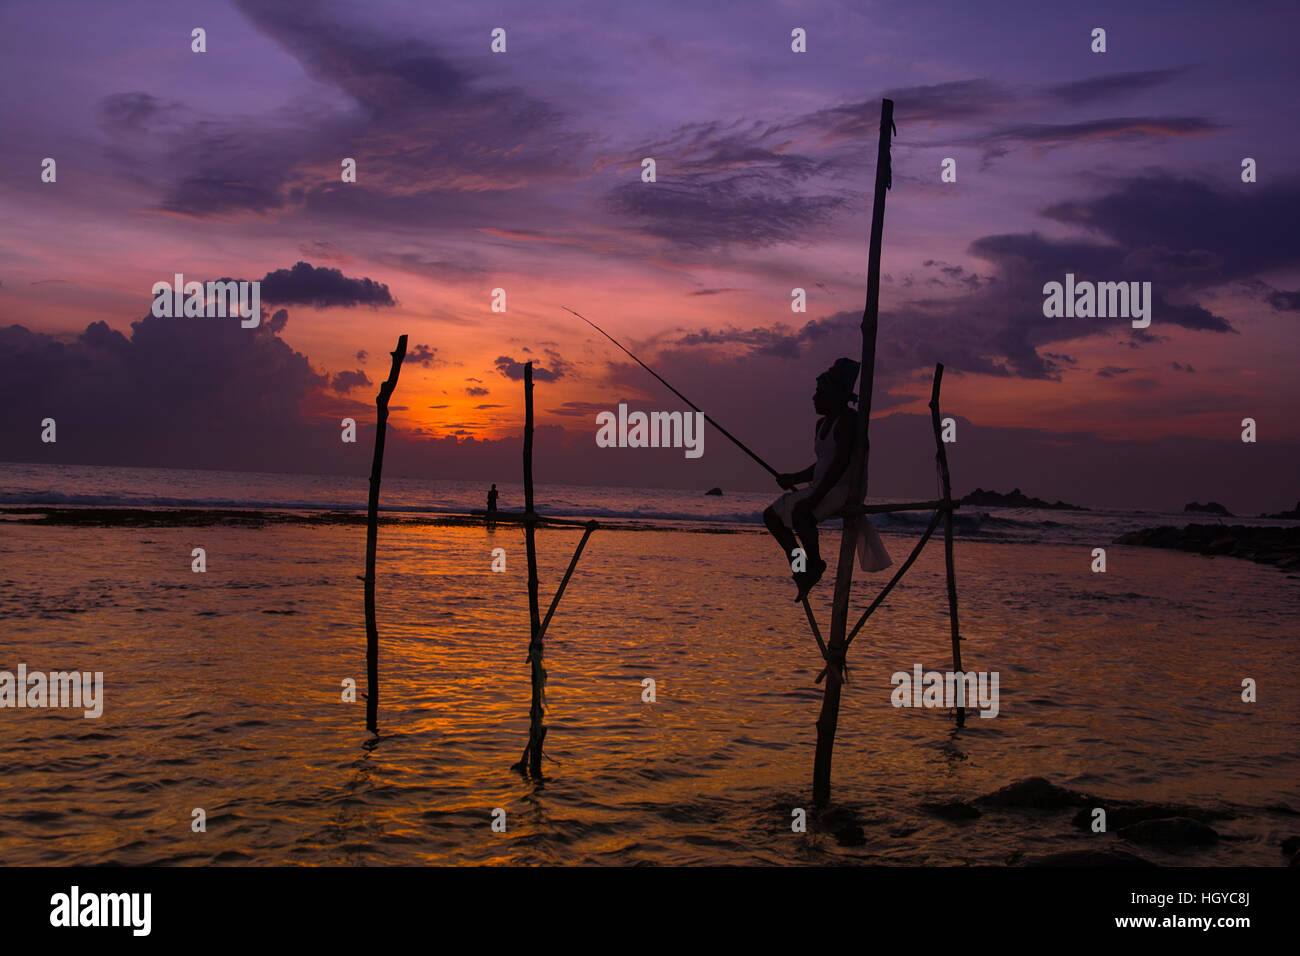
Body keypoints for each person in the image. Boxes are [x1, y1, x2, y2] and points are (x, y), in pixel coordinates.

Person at [763, 357, 891, 601]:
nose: (814, 398)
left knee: (802, 513)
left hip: (844, 489)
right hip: (821, 487)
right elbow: (822, 465)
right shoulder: (822, 424)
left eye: (819, 393)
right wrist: (794, 477)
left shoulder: (849, 422)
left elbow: (840, 464)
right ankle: (800, 567)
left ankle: (815, 565)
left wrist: (814, 498)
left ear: (833, 396)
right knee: (771, 516)